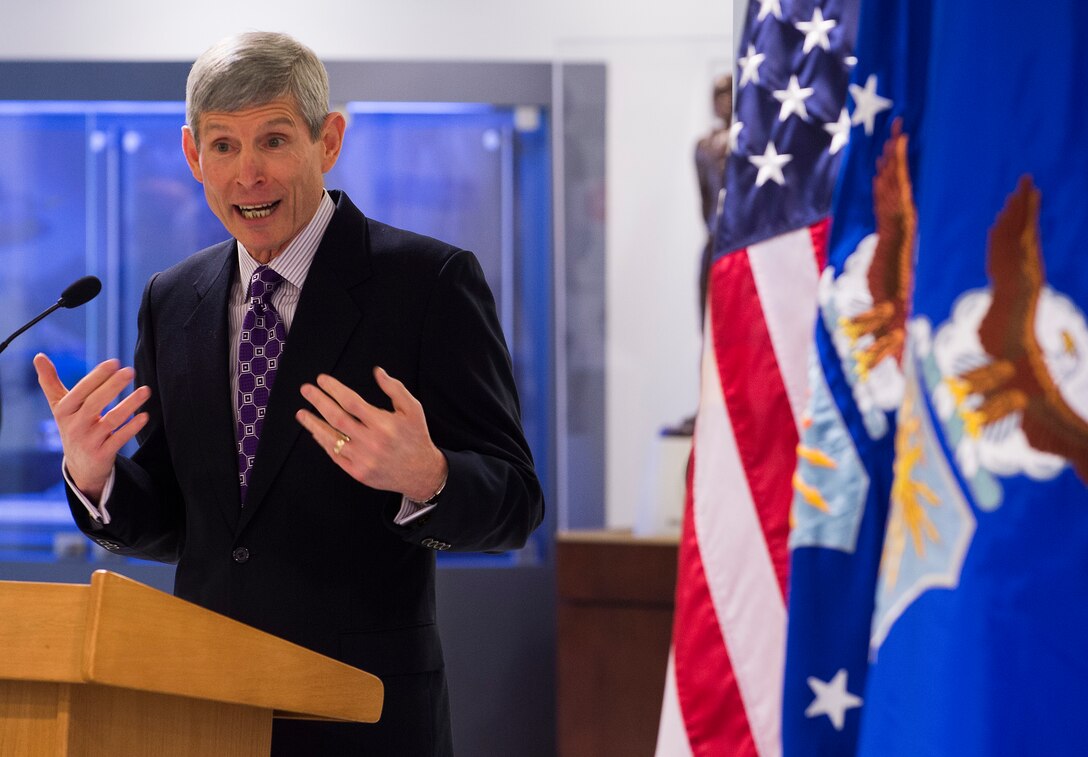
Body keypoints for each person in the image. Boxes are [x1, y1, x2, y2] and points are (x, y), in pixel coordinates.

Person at [33, 31, 544, 756]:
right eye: (224, 146)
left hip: (362, 717)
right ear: (193, 156)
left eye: (273, 140)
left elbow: (517, 504)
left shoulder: (428, 284)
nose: (249, 174)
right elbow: (186, 523)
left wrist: (428, 477)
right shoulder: (172, 298)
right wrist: (96, 478)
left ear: (327, 141)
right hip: (201, 709)